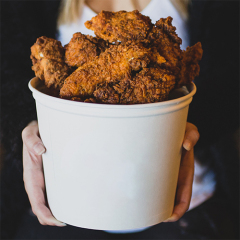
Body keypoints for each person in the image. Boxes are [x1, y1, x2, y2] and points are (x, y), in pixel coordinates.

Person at [1, 0, 239, 239]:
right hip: (66, 193)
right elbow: (7, 71)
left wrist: (187, 124)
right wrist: (28, 123)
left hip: (182, 197)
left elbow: (231, 81)